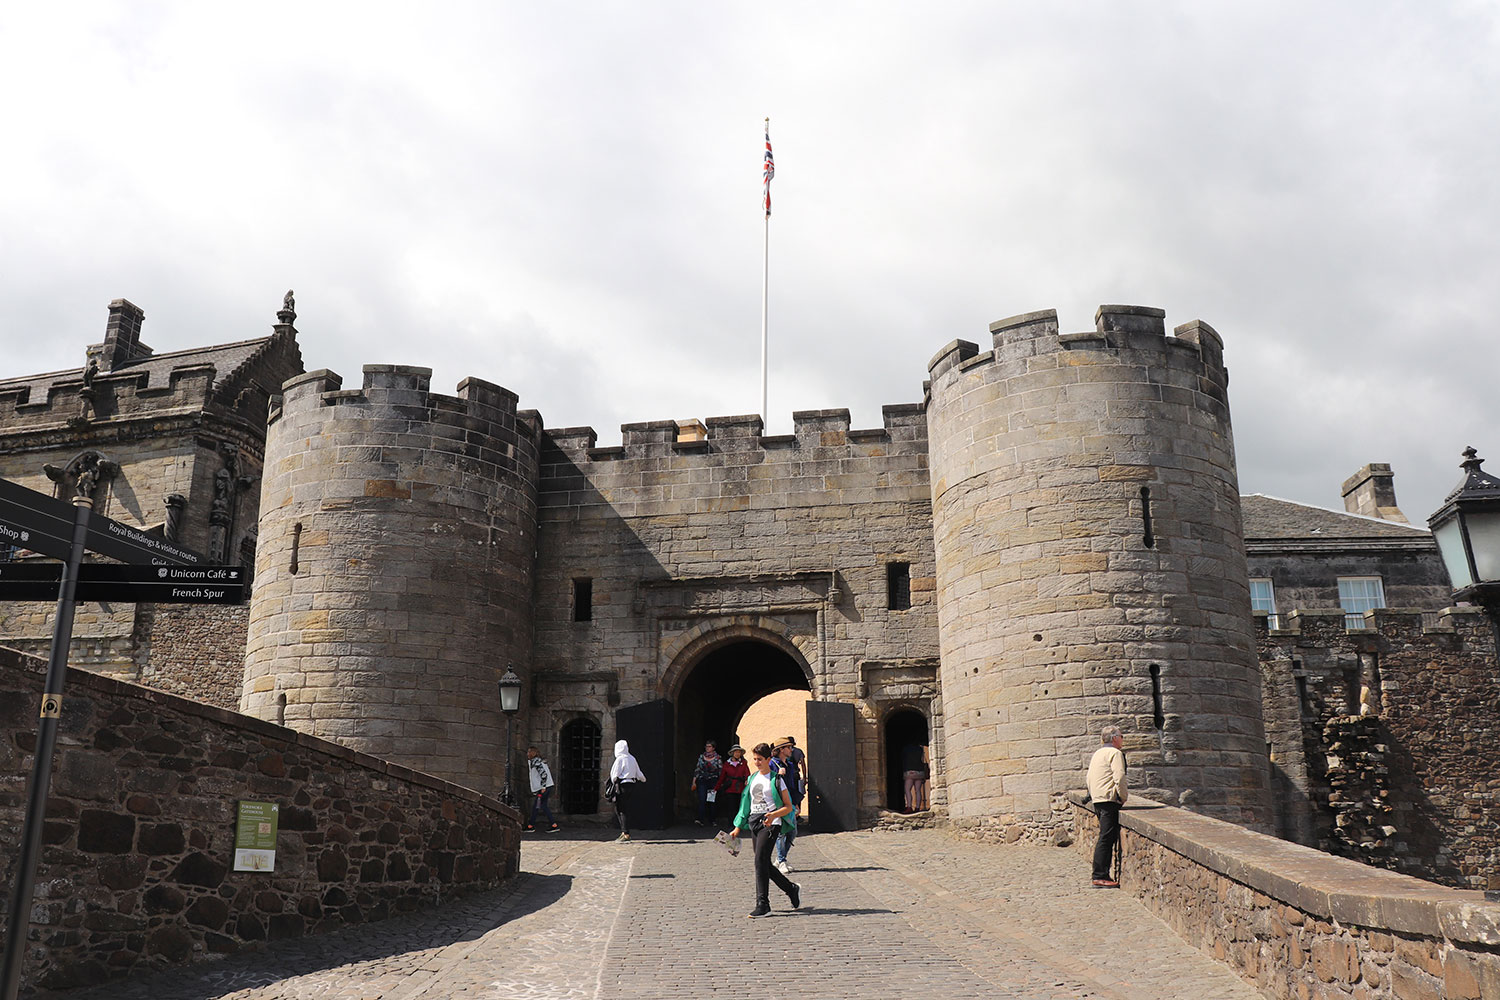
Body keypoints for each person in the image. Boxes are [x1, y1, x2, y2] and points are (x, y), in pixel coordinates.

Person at [730, 743, 802, 917]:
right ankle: (790, 888)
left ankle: (763, 904)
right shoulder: (753, 778)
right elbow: (746, 804)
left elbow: (788, 806)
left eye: (760, 759)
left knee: (759, 860)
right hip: (754, 821)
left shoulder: (777, 780)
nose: (756, 762)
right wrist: (738, 826)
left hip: (771, 823)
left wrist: (773, 815)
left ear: (768, 759)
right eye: (754, 759)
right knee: (763, 863)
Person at [1087, 725, 1128, 888]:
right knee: (1106, 837)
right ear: (1114, 738)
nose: (1122, 739)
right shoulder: (1115, 753)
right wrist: (1123, 797)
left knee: (1104, 836)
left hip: (1098, 798)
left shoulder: (1098, 753)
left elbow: (1089, 777)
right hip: (1108, 799)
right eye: (1121, 736)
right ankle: (1099, 875)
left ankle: (1100, 874)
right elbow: (1119, 776)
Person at [769, 739, 802, 873]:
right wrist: (777, 775)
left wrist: (795, 803)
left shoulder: (789, 764)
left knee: (792, 832)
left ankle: (780, 858)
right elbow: (768, 782)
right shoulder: (772, 763)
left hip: (789, 802)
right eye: (789, 747)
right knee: (781, 834)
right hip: (778, 803)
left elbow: (792, 785)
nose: (791, 750)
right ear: (782, 749)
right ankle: (782, 861)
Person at [610, 739, 647, 842]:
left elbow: (614, 774)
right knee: (623, 808)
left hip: (622, 785)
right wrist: (643, 779)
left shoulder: (620, 759)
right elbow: (639, 773)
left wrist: (613, 781)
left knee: (620, 809)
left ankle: (625, 833)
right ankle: (624, 831)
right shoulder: (632, 758)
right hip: (631, 784)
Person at [525, 746, 560, 833]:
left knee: (537, 806)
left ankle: (531, 826)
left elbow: (543, 774)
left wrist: (543, 787)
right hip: (547, 787)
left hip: (543, 788)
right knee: (541, 806)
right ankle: (552, 825)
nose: (527, 754)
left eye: (529, 752)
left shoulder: (536, 761)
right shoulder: (540, 761)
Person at [713, 745, 750, 824]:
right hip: (730, 788)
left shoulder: (743, 763)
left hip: (740, 788)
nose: (737, 753)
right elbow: (722, 777)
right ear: (732, 753)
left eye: (739, 752)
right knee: (731, 808)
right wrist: (716, 788)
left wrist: (748, 781)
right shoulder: (727, 764)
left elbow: (747, 774)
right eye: (736, 752)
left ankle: (738, 824)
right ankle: (731, 824)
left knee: (739, 808)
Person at [690, 740, 723, 826]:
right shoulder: (701, 757)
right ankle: (700, 819)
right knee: (702, 799)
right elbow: (697, 770)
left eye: (709, 746)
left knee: (711, 800)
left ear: (713, 748)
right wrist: (694, 782)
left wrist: (720, 783)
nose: (707, 748)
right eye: (706, 746)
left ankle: (712, 820)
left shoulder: (717, 758)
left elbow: (720, 771)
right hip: (702, 780)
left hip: (713, 781)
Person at [901, 740, 927, 812]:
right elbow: (922, 759)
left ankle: (909, 807)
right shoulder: (920, 749)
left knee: (907, 790)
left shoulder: (905, 749)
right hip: (919, 772)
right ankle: (917, 807)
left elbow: (904, 759)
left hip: (909, 771)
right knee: (918, 790)